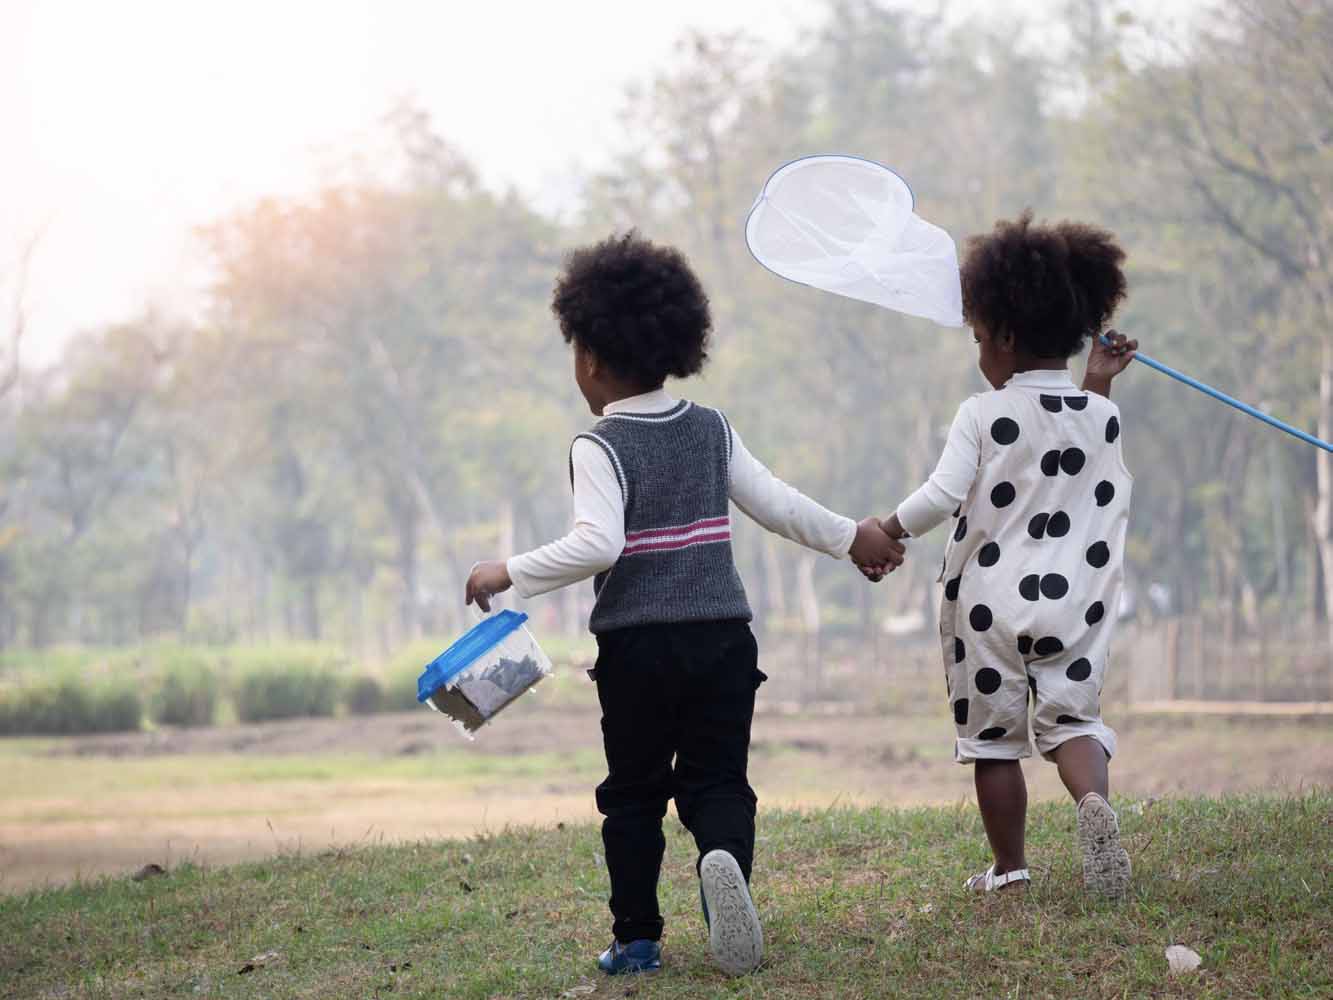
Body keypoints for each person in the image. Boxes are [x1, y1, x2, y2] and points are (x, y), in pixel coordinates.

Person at [464, 232, 904, 975]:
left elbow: (598, 545)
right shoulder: (710, 428)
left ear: (591, 359)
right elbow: (776, 504)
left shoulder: (598, 445)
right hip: (723, 640)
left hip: (638, 649)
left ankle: (636, 939)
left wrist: (506, 571)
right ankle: (723, 863)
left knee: (633, 794)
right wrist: (852, 536)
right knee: (719, 782)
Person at [874, 211, 1139, 898]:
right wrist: (1098, 380)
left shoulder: (982, 412)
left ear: (1008, 337)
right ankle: (1093, 808)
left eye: (981, 337)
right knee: (1073, 720)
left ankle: (1010, 869)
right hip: (1073, 603)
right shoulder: (1100, 413)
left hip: (989, 604)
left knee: (992, 740)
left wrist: (887, 528)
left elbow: (939, 495)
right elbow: (1073, 447)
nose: (979, 352)